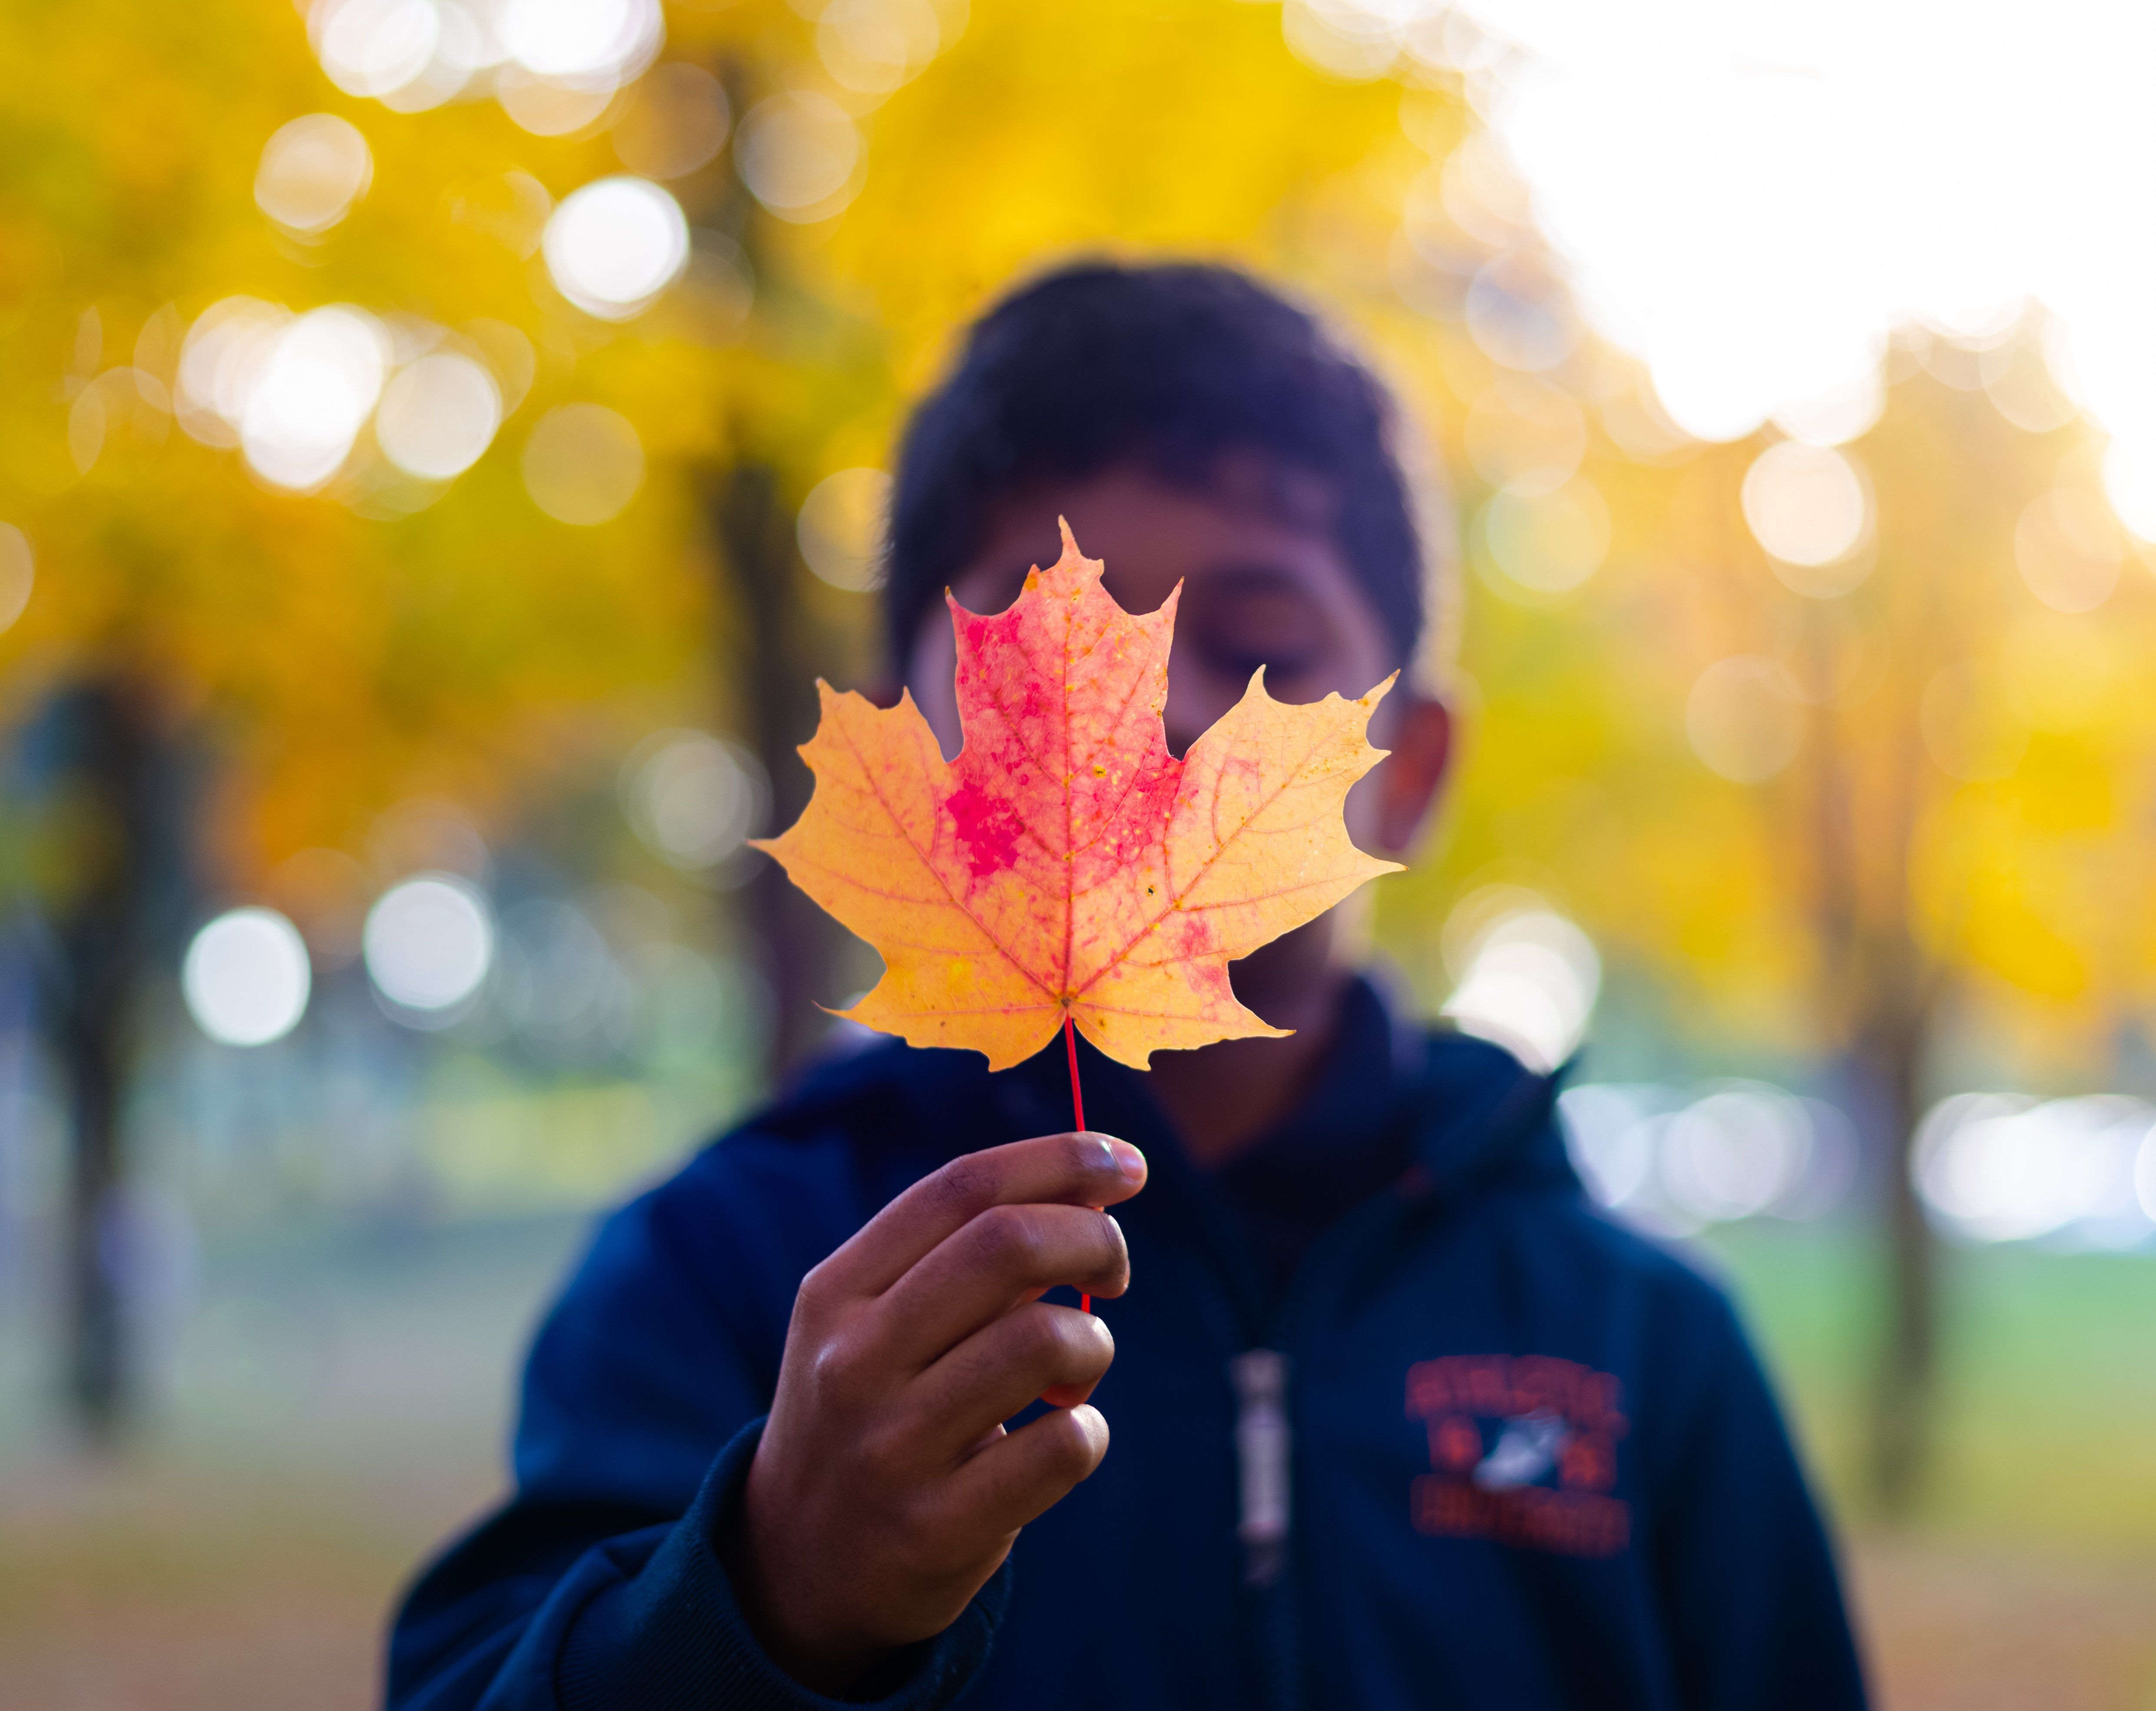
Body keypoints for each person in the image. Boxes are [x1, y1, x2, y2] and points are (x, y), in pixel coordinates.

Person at [386, 263, 1869, 1711]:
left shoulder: (1636, 1339)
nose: (1150, 699)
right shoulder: (729, 1272)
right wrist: (768, 1599)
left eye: (1260, 643)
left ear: (1405, 771)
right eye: (1030, 646)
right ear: (903, 733)